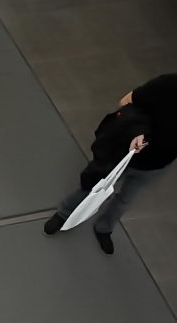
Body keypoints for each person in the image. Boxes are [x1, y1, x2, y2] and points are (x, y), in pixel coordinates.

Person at [44, 73, 176, 254]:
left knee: (125, 200)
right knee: (94, 186)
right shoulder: (169, 84)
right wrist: (139, 132)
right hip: (124, 154)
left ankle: (104, 228)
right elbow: (127, 101)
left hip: (156, 166)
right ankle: (63, 214)